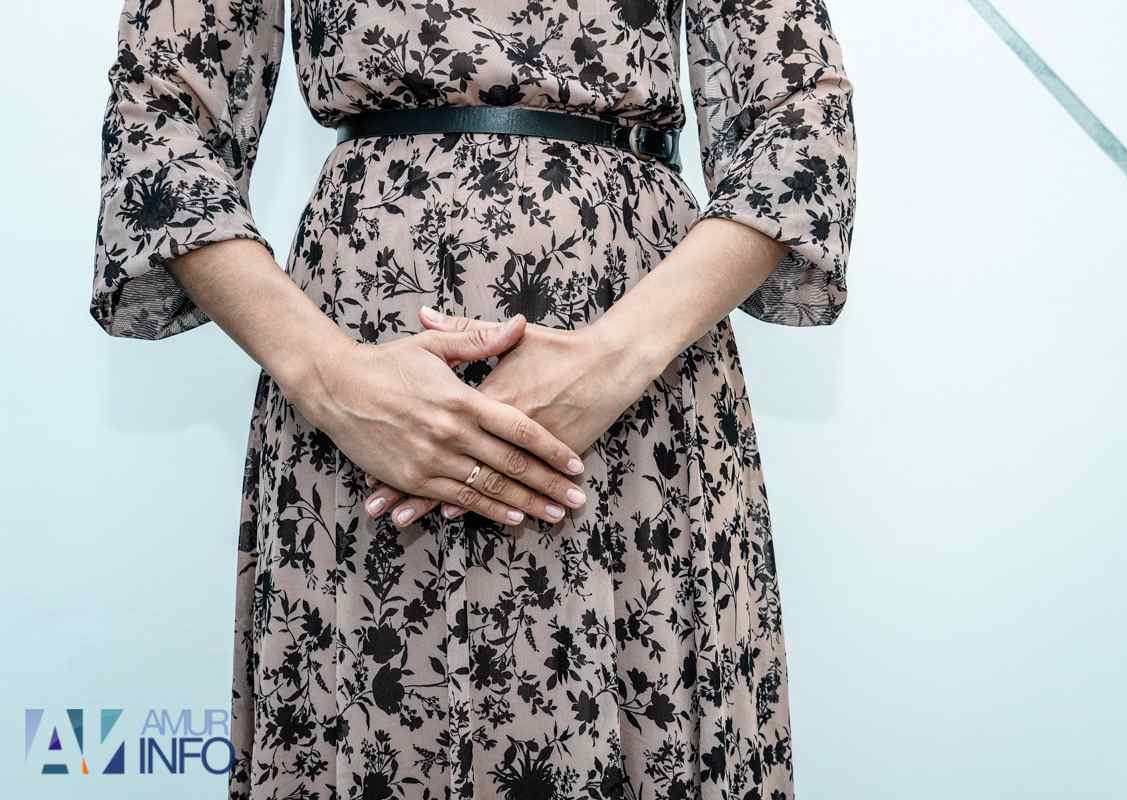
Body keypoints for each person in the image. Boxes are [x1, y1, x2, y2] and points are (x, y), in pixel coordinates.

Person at [90, 1, 857, 797]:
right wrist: (328, 377)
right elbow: (158, 116)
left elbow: (800, 115)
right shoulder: (341, 387)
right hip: (357, 396)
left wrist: (616, 357)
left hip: (639, 393)